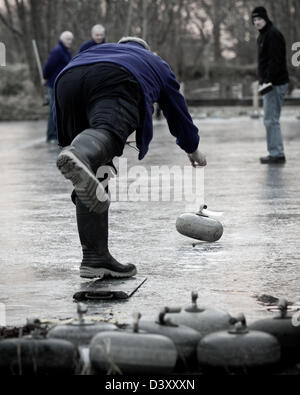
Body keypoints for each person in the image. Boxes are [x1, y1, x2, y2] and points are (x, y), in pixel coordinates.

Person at [54, 36, 207, 280]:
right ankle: (80, 154)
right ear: (148, 49)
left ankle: (95, 259)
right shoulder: (153, 61)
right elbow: (177, 110)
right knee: (103, 136)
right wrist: (192, 148)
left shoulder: (99, 49)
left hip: (66, 81)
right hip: (116, 78)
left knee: (92, 176)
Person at [252, 7, 289, 164]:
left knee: (271, 120)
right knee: (271, 119)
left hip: (274, 83)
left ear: (265, 18)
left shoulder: (273, 35)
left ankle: (277, 154)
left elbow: (275, 60)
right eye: (254, 20)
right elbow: (264, 62)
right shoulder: (263, 36)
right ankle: (275, 152)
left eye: (259, 19)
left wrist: (267, 80)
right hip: (269, 83)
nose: (257, 22)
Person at [42, 31, 74, 143]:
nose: (70, 41)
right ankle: (51, 136)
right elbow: (49, 66)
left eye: (71, 39)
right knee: (53, 109)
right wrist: (45, 77)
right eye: (68, 39)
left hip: (61, 84)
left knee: (59, 110)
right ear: (62, 39)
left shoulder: (66, 52)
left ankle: (58, 135)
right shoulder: (58, 51)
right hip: (53, 84)